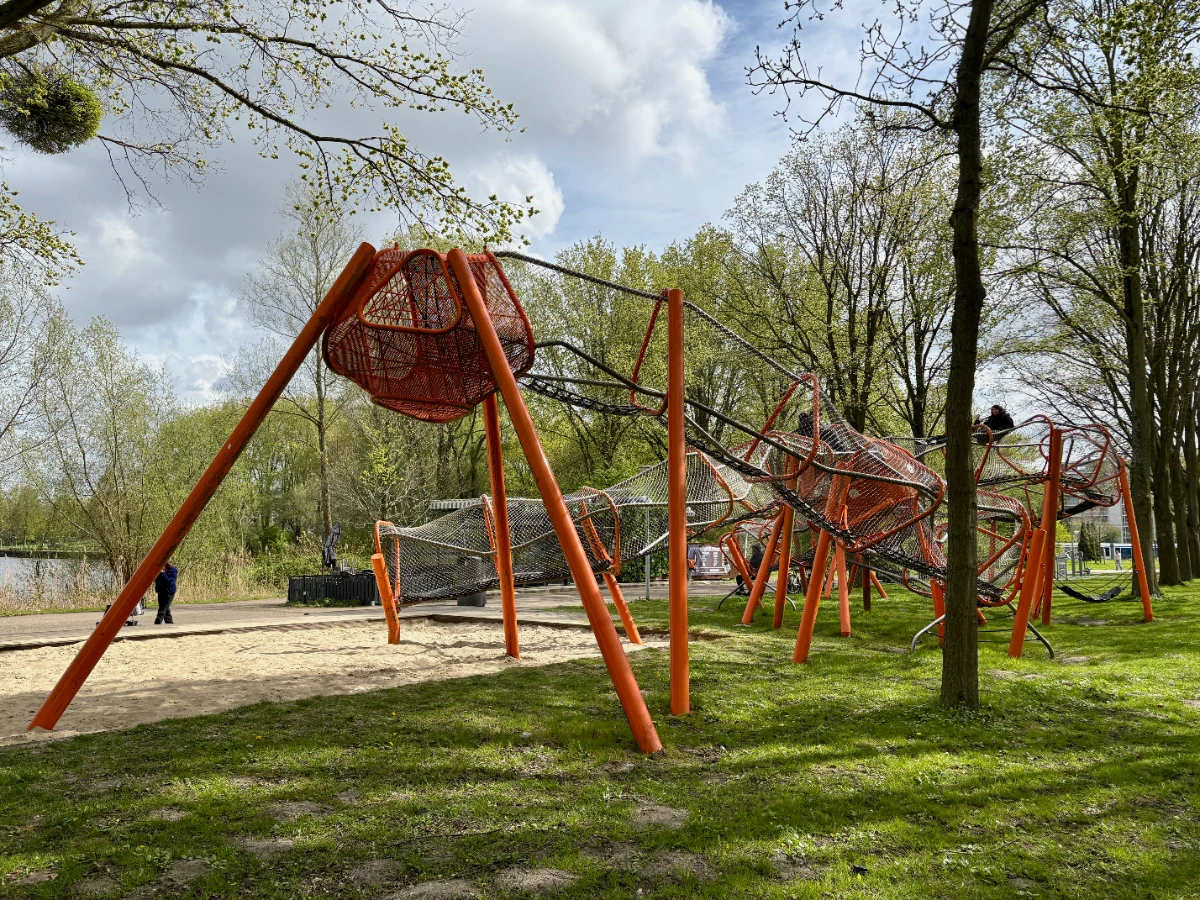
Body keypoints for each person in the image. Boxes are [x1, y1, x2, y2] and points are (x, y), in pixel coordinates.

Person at [154, 559, 178, 624]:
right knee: (166, 610)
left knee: (162, 609)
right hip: (161, 592)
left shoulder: (173, 571)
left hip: (169, 593)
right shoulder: (159, 572)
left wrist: (163, 573)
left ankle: (157, 622)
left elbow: (170, 582)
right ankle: (169, 623)